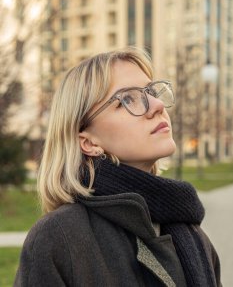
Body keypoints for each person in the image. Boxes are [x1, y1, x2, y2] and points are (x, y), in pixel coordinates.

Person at [15, 47, 222, 287]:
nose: (157, 105)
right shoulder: (58, 239)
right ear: (88, 142)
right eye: (127, 99)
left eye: (152, 92)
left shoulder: (193, 235)